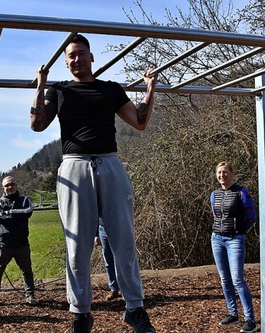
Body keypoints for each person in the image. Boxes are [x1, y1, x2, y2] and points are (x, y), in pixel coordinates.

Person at [30, 34, 157, 333]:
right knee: (77, 245)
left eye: (81, 53)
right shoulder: (58, 90)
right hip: (74, 165)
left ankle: (135, 308)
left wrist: (151, 89)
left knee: (124, 239)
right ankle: (81, 312)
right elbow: (36, 124)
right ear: (66, 61)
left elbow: (139, 122)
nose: (77, 59)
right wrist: (41, 84)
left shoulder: (110, 89)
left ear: (92, 57)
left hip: (109, 162)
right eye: (71, 56)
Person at [210, 161, 257, 333]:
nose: (222, 175)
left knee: (237, 279)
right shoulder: (214, 194)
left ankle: (250, 319)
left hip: (235, 240)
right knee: (224, 279)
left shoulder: (242, 192)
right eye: (219, 173)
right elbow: (215, 215)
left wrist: (239, 231)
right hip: (217, 239)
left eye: (225, 172)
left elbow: (251, 216)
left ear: (232, 173)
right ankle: (232, 313)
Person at [0, 176, 39, 307]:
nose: (9, 187)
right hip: (4, 244)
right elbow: (0, 217)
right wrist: (18, 216)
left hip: (22, 243)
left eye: (12, 185)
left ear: (16, 186)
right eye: (7, 186)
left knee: (27, 270)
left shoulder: (25, 200)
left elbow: (28, 211)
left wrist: (9, 212)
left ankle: (30, 295)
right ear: (3, 188)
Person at [94, 219, 120, 301]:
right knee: (108, 261)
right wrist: (96, 235)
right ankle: (114, 289)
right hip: (102, 228)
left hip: (117, 227)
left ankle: (126, 289)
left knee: (120, 261)